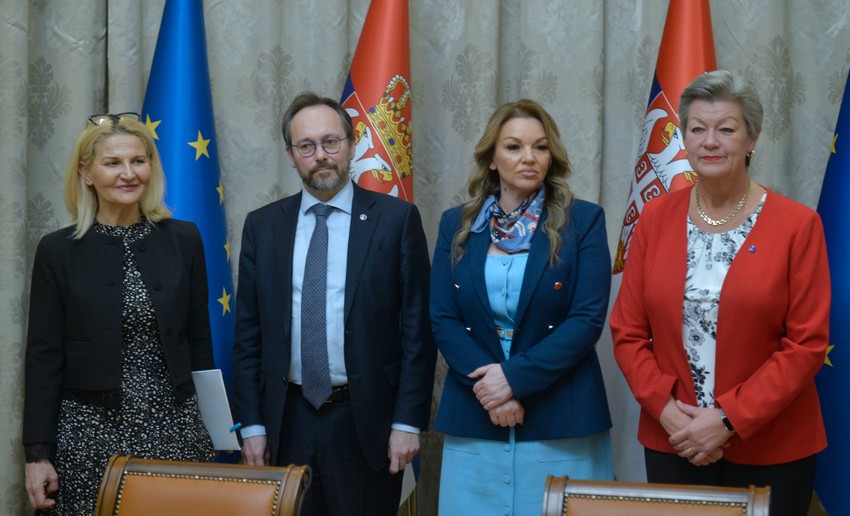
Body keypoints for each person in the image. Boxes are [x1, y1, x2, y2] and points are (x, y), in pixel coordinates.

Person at [611, 70, 829, 516]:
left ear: (752, 139)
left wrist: (728, 420)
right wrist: (668, 413)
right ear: (684, 139)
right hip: (675, 440)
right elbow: (628, 331)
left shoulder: (797, 225)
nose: (710, 141)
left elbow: (806, 345)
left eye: (726, 129)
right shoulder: (654, 218)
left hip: (772, 446)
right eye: (697, 129)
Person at [232, 92, 436, 516]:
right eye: (306, 146)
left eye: (331, 142)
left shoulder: (396, 220)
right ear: (291, 155)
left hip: (367, 423)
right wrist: (252, 424)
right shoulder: (263, 226)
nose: (320, 155)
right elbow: (249, 334)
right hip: (286, 421)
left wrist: (407, 422)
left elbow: (418, 331)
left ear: (352, 143)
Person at [23, 112, 215, 513]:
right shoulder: (57, 251)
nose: (128, 173)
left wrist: (214, 431)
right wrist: (37, 453)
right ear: (87, 173)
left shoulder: (184, 239)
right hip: (90, 437)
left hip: (174, 430)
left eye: (138, 161)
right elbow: (44, 357)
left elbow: (200, 341)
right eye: (112, 163)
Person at [430, 99, 614, 515]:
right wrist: (493, 392)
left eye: (540, 147)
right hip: (476, 415)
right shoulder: (455, 224)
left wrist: (512, 380)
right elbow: (443, 318)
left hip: (561, 418)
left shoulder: (583, 220)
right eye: (514, 147)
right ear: (491, 158)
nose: (529, 158)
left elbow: (586, 320)